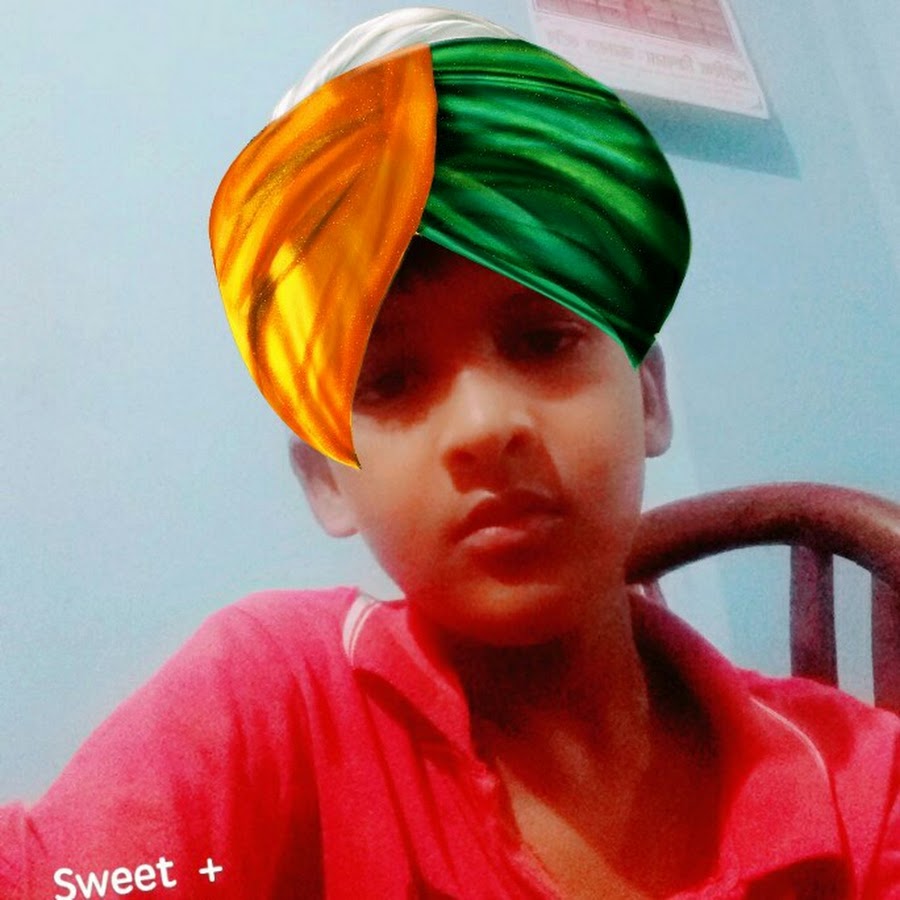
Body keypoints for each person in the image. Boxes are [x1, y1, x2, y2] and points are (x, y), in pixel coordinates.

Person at [2, 8, 898, 899]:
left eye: (543, 340)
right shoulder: (271, 705)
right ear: (327, 477)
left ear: (651, 396)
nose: (482, 426)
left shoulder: (858, 791)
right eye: (391, 380)